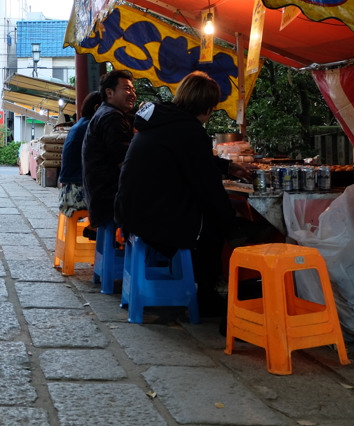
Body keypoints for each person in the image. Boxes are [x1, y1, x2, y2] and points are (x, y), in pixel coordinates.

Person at [113, 71, 256, 316]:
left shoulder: (164, 121)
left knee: (209, 214)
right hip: (150, 217)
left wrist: (227, 166)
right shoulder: (190, 131)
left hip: (130, 210)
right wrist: (231, 223)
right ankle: (206, 296)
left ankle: (206, 285)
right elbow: (207, 186)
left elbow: (193, 160)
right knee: (212, 225)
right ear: (208, 107)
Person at [81, 70, 137, 235]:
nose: (132, 94)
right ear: (109, 92)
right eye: (127, 89)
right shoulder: (112, 118)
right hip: (109, 200)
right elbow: (125, 162)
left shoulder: (106, 113)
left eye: (133, 89)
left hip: (99, 197)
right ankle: (146, 258)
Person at [58, 90, 104, 216]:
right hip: (77, 192)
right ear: (97, 108)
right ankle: (100, 233)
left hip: (68, 191)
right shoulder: (91, 126)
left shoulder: (80, 124)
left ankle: (98, 232)